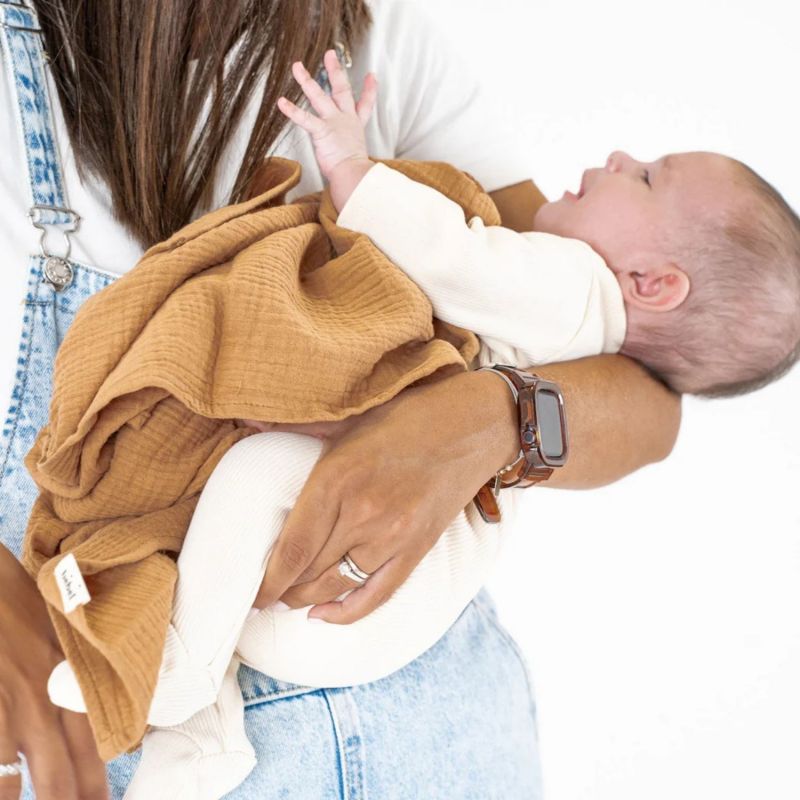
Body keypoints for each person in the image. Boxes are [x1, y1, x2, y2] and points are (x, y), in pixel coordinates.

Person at [0, 2, 680, 798]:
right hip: (98, 733)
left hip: (439, 743)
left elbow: (645, 392)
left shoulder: (370, 41)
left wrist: (480, 421)